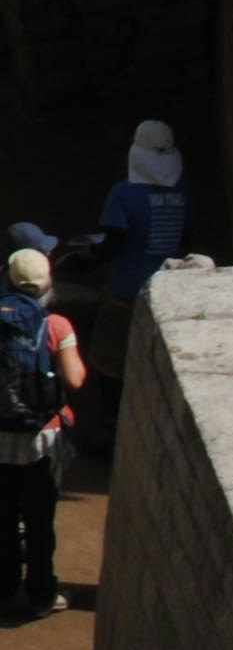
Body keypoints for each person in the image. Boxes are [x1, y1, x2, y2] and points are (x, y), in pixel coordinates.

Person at [0, 243, 82, 620]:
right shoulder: (56, 325)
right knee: (39, 521)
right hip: (41, 443)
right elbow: (75, 379)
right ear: (47, 283)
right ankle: (40, 595)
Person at [97, 121, 190, 305]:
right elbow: (187, 235)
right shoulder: (184, 190)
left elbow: (114, 241)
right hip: (170, 283)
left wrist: (92, 253)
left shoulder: (122, 192)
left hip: (127, 287)